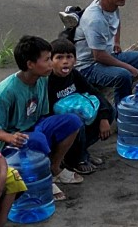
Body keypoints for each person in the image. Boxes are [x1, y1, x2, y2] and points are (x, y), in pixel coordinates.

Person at [0, 36, 85, 187]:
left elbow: (42, 115)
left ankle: (54, 167)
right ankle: (43, 178)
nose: (51, 63)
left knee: (73, 121)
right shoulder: (6, 91)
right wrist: (11, 137)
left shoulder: (42, 79)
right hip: (11, 138)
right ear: (30, 64)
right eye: (47, 60)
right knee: (37, 139)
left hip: (33, 127)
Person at [47, 37, 114, 173]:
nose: (65, 62)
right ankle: (75, 159)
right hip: (60, 126)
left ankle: (81, 151)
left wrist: (104, 118)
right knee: (76, 120)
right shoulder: (47, 82)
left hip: (76, 120)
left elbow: (94, 93)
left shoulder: (74, 75)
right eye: (59, 57)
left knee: (110, 110)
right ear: (50, 61)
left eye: (69, 57)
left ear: (75, 60)